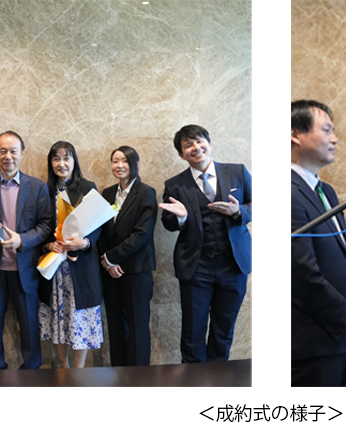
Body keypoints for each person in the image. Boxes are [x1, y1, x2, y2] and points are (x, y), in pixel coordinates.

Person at [290, 100, 346, 387]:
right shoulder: (286, 191)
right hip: (313, 345)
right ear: (295, 134)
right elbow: (301, 273)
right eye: (326, 130)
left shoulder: (325, 190)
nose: (334, 138)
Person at [158, 124, 253, 363]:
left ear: (210, 144)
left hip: (234, 265)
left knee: (224, 331)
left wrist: (238, 211)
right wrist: (181, 218)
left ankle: (218, 379)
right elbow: (168, 222)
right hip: (196, 267)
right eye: (188, 145)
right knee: (192, 332)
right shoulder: (174, 185)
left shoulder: (238, 172)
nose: (195, 147)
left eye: (199, 141)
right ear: (181, 155)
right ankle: (193, 381)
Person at [0, 131, 52, 370]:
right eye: (3, 151)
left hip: (25, 269)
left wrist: (22, 240)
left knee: (29, 327)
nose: (8, 156)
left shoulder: (37, 187)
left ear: (22, 153)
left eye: (13, 151)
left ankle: (31, 374)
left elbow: (46, 225)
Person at [39, 141, 104, 369]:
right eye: (56, 158)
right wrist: (48, 245)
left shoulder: (87, 187)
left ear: (74, 161)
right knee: (58, 317)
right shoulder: (43, 190)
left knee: (79, 320)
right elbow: (39, 226)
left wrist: (85, 242)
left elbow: (98, 224)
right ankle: (63, 367)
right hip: (55, 269)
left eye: (66, 158)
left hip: (80, 267)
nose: (61, 163)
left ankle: (79, 371)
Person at [99, 146, 158, 366]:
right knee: (116, 327)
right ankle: (119, 374)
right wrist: (107, 263)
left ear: (136, 164)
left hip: (136, 271)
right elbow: (100, 230)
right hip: (110, 273)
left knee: (137, 327)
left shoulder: (146, 192)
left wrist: (111, 258)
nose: (120, 165)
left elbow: (142, 234)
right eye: (115, 161)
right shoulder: (107, 194)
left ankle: (139, 378)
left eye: (125, 161)